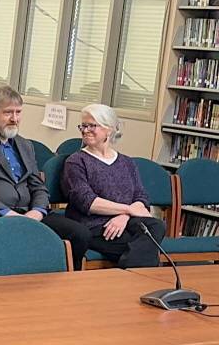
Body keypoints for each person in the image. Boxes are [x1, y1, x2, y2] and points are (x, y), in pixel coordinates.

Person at [0, 86, 91, 269]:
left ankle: (63, 286)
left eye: (18, 112)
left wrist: (37, 211)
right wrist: (8, 214)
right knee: (18, 239)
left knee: (79, 234)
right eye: (8, 112)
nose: (14, 119)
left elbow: (37, 185)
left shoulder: (25, 145)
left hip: (29, 213)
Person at [62, 104, 165, 268]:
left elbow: (141, 197)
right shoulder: (76, 161)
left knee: (156, 226)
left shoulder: (126, 162)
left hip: (125, 221)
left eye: (92, 125)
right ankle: (137, 279)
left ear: (109, 129)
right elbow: (86, 201)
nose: (85, 130)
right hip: (94, 225)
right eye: (83, 125)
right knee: (144, 246)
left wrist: (124, 215)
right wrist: (129, 210)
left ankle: (130, 278)